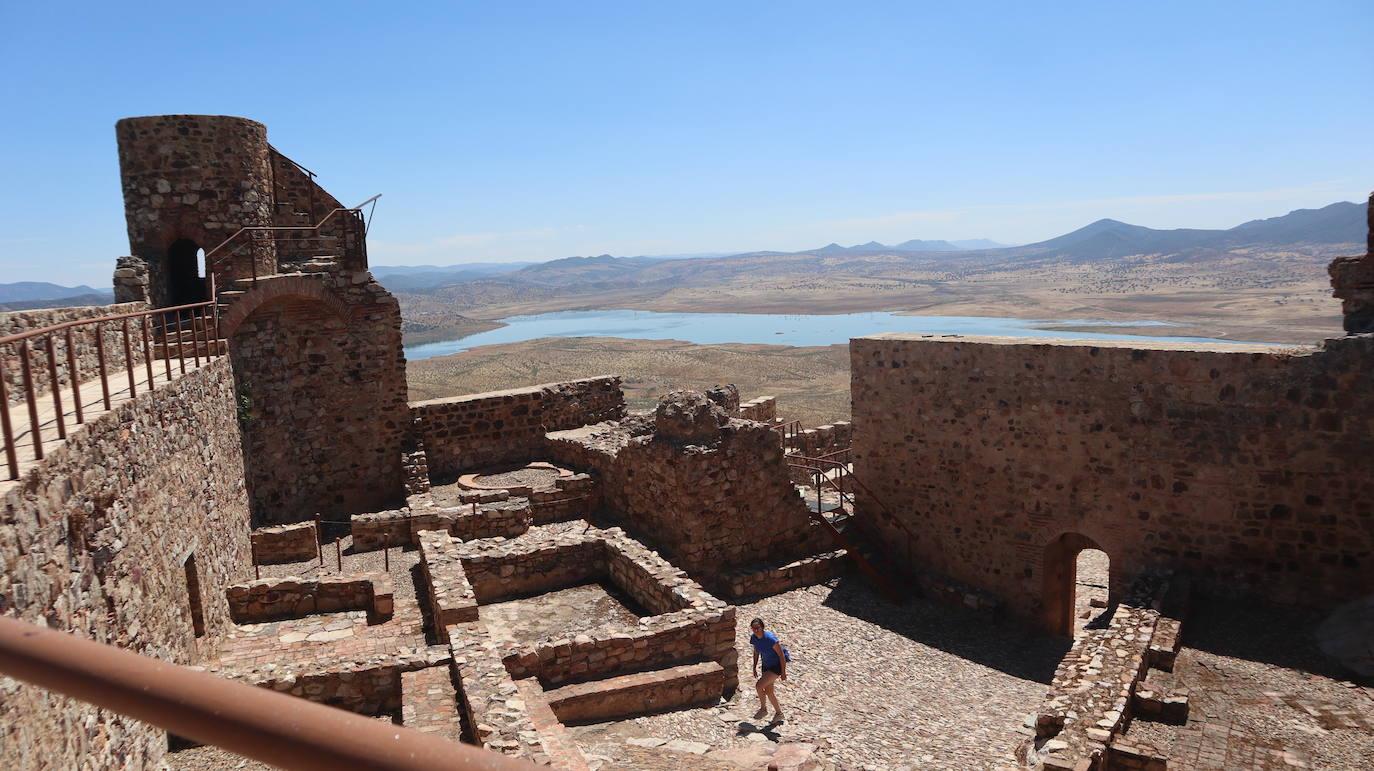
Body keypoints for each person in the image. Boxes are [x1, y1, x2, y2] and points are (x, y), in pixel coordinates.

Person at [748, 616, 786, 724]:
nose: (756, 630)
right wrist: (754, 667)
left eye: (757, 628)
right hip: (766, 665)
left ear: (762, 627)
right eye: (753, 628)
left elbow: (781, 656)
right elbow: (756, 652)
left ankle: (763, 709)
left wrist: (783, 672)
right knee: (769, 691)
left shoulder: (771, 639)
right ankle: (779, 713)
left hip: (776, 667)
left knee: (759, 685)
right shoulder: (754, 638)